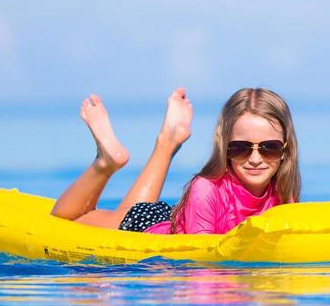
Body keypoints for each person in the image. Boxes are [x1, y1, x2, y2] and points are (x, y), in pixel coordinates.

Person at [49, 87, 301, 234]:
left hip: (177, 218)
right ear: (224, 148)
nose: (255, 159)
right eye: (241, 149)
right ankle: (106, 162)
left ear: (285, 150)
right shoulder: (206, 188)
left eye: (269, 148)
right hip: (144, 226)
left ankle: (169, 141)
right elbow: (199, 262)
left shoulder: (283, 191)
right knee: (65, 220)